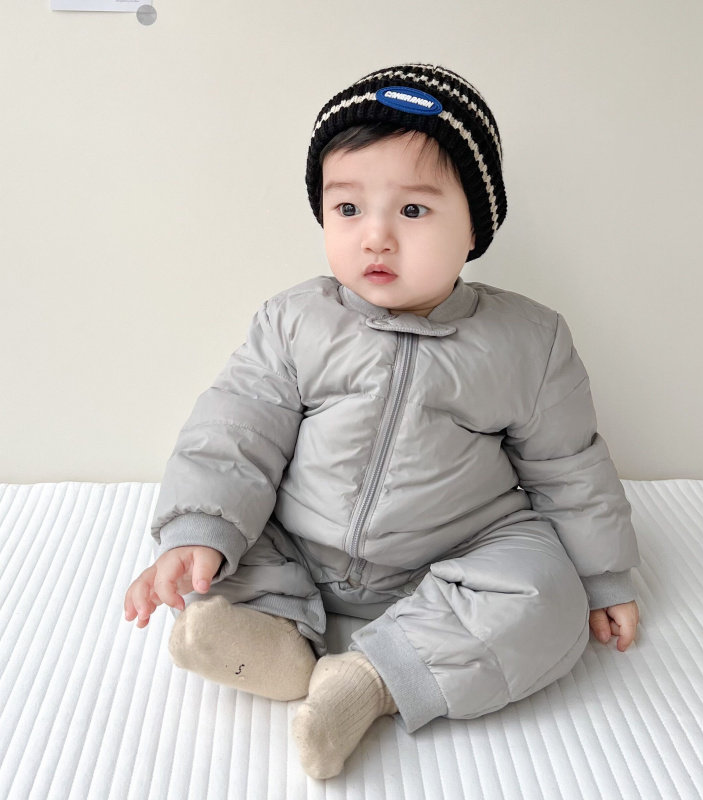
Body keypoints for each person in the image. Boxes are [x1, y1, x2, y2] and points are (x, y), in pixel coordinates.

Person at [124, 63, 640, 780]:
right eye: (347, 208)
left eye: (413, 211)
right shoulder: (295, 321)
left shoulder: (529, 340)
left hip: (453, 553)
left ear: (475, 226)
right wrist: (197, 531)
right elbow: (235, 431)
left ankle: (369, 681)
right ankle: (270, 638)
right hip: (298, 540)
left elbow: (569, 468)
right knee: (223, 555)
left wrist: (604, 577)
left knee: (547, 598)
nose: (375, 237)